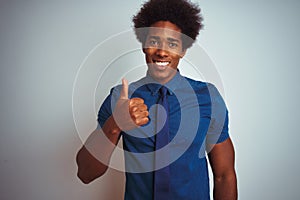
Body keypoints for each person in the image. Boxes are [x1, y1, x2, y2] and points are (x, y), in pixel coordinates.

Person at [76, 0, 237, 199]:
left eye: (172, 43)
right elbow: (85, 173)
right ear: (144, 45)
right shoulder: (120, 98)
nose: (161, 51)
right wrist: (115, 124)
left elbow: (224, 176)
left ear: (183, 50)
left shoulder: (207, 97)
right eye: (154, 41)